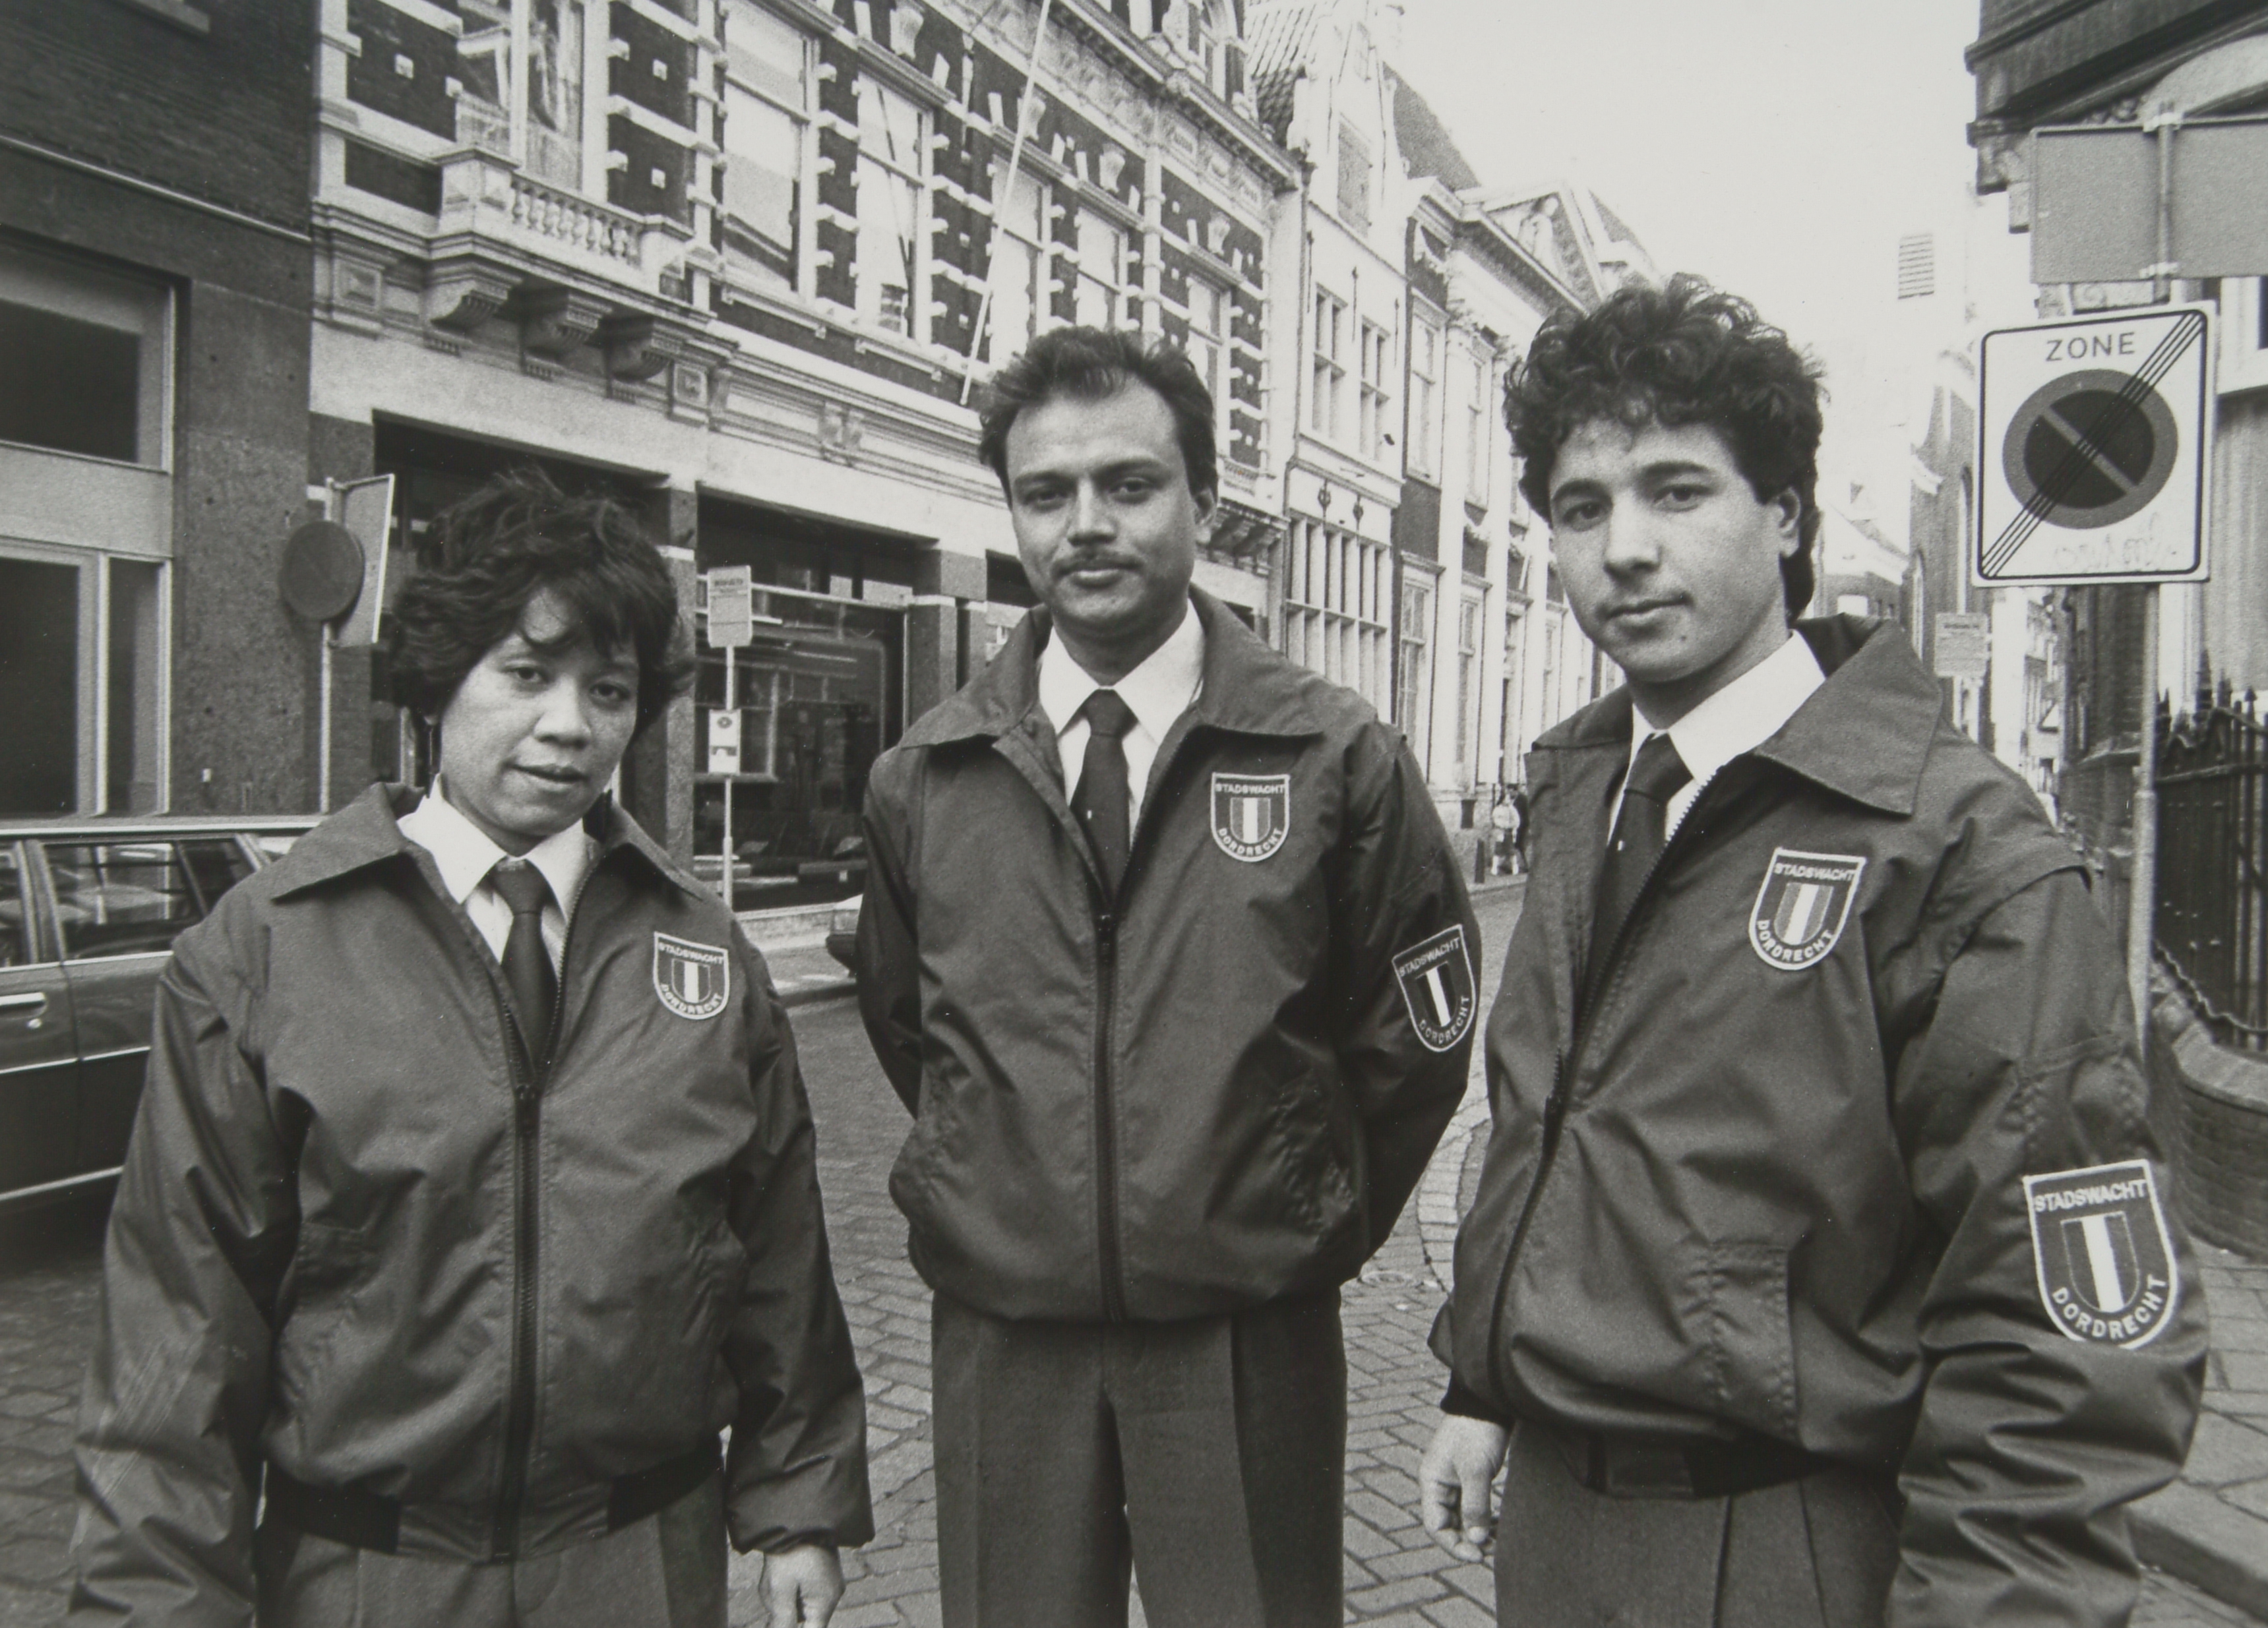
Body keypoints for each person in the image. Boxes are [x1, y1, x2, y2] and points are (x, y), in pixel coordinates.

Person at [1417, 276, 2205, 1627]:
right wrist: (1482, 1381)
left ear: (1786, 515)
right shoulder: (1581, 793)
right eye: (1581, 506)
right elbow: (1541, 1127)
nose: (1623, 548)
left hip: (1787, 1542)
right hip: (1551, 1530)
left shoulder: (1952, 843)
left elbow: (2056, 1333)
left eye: (1677, 491)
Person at [69, 469, 871, 1628]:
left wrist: (798, 1500)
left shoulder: (705, 949)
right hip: (367, 1571)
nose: (572, 725)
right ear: (439, 679)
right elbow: (181, 1317)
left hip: (640, 1559)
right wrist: (155, 1603)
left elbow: (777, 1243)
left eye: (609, 689)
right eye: (528, 674)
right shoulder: (265, 950)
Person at [854, 326, 1479, 1628]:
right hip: (1008, 1334)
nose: (1085, 523)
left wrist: (1293, 1212)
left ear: (1203, 497)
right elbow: (911, 1026)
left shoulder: (1334, 755)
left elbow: (1415, 1042)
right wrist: (1010, 1184)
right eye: (1046, 492)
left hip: (1244, 1336)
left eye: (1129, 484)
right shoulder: (927, 775)